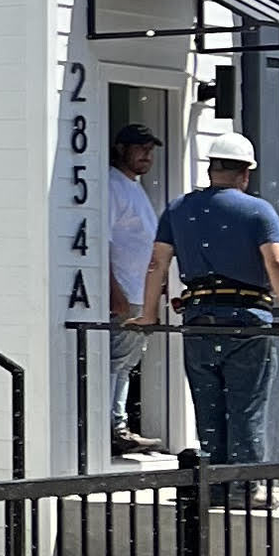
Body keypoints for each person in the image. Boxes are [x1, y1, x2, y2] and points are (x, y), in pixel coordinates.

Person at [141, 120, 279, 464]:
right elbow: (278, 263)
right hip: (246, 321)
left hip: (199, 320)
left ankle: (211, 486)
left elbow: (157, 264)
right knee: (246, 409)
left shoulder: (178, 208)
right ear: (246, 173)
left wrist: (148, 315)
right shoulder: (258, 210)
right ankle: (245, 491)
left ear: (212, 168)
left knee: (208, 413)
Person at [107, 120, 164, 454]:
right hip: (126, 294)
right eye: (140, 148)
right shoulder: (114, 186)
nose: (146, 155)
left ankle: (118, 425)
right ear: (121, 149)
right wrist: (113, 290)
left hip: (141, 294)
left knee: (127, 363)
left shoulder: (134, 186)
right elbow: (103, 241)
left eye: (150, 149)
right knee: (115, 362)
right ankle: (113, 428)